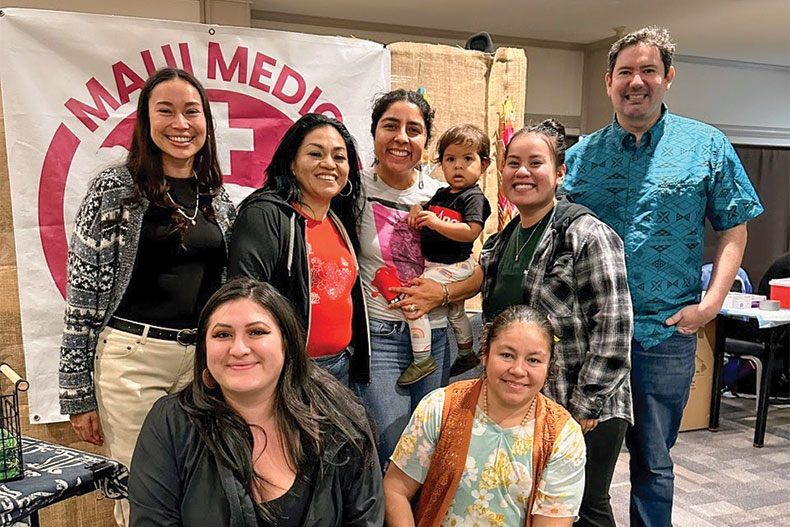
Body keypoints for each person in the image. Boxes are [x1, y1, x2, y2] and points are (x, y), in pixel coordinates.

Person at [562, 27, 763, 527]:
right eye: (625, 72)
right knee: (582, 458)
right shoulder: (580, 155)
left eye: (648, 70)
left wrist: (712, 304)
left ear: (668, 77)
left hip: (665, 331)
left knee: (655, 461)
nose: (637, 81)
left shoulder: (706, 145)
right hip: (591, 334)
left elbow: (733, 232)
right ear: (608, 82)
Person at [58, 67, 235, 527]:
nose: (181, 123)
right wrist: (77, 392)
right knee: (144, 493)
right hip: (133, 361)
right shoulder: (113, 189)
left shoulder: (218, 198)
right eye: (166, 111)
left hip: (204, 362)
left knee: (204, 486)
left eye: (191, 111)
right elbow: (83, 293)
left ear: (207, 122)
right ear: (145, 120)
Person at [128, 278, 383, 526]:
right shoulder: (172, 422)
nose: (238, 349)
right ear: (204, 350)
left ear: (287, 343)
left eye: (257, 332)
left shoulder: (342, 420)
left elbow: (365, 519)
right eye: (222, 334)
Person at [479, 119, 633, 527]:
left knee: (584, 507)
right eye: (513, 163)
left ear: (560, 172)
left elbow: (615, 330)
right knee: (541, 505)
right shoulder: (501, 241)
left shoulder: (587, 234)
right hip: (531, 397)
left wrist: (586, 404)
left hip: (588, 403)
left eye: (535, 162)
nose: (522, 172)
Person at [353, 89, 481, 468]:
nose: (401, 138)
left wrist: (440, 293)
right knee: (391, 449)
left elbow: (474, 275)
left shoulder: (443, 194)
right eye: (390, 126)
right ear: (374, 132)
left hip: (437, 336)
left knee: (428, 450)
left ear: (426, 142)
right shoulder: (353, 189)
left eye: (414, 129)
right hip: (381, 337)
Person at [384, 305, 586, 527]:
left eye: (534, 360)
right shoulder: (441, 407)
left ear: (549, 366)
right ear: (485, 353)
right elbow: (395, 489)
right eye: (507, 355)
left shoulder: (563, 437)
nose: (518, 370)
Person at [227, 113, 368, 386]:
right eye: (315, 154)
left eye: (339, 157)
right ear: (292, 163)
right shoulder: (265, 214)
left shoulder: (338, 220)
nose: (329, 164)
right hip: (289, 373)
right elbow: (243, 298)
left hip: (341, 368)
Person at [398, 124, 491, 386]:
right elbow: (424, 209)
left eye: (467, 159)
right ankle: (465, 352)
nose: (458, 166)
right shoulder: (441, 194)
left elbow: (470, 232)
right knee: (456, 312)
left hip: (453, 264)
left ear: (483, 165)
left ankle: (422, 358)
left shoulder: (473, 197)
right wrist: (417, 209)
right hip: (440, 262)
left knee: (414, 301)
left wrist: (435, 223)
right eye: (450, 159)